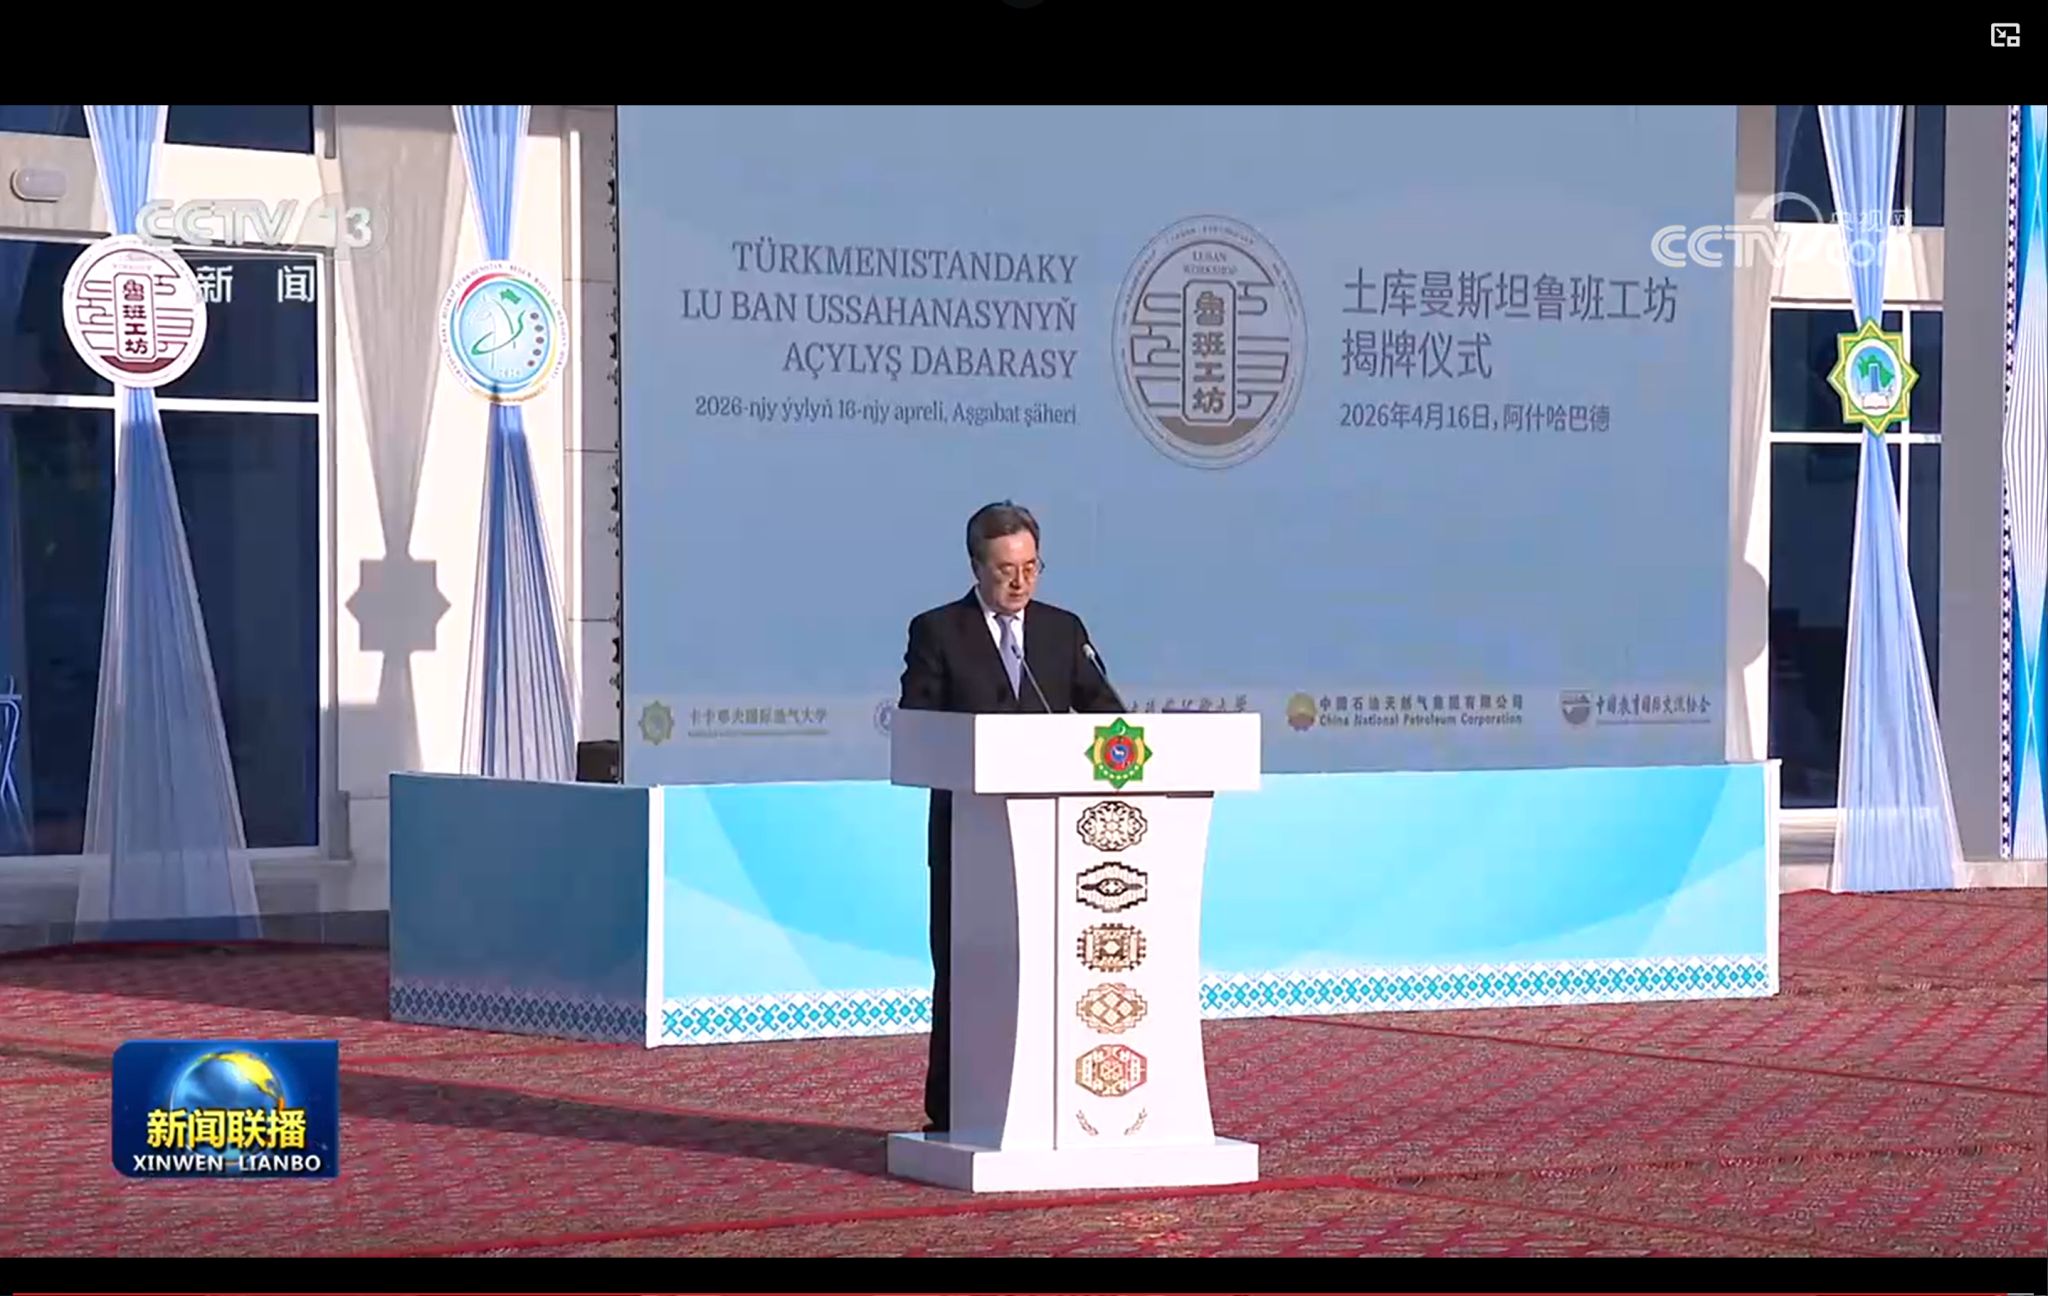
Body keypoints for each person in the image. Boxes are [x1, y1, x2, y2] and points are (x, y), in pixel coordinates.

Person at [896, 501, 1122, 1134]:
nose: (1020, 582)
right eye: (1005, 570)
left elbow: (1108, 717)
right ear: (976, 567)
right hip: (969, 836)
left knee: (1049, 966)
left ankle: (1051, 1103)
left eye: (1031, 567)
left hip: (1055, 836)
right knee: (965, 968)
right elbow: (918, 727)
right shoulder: (938, 631)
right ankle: (953, 1109)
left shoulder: (1062, 630)